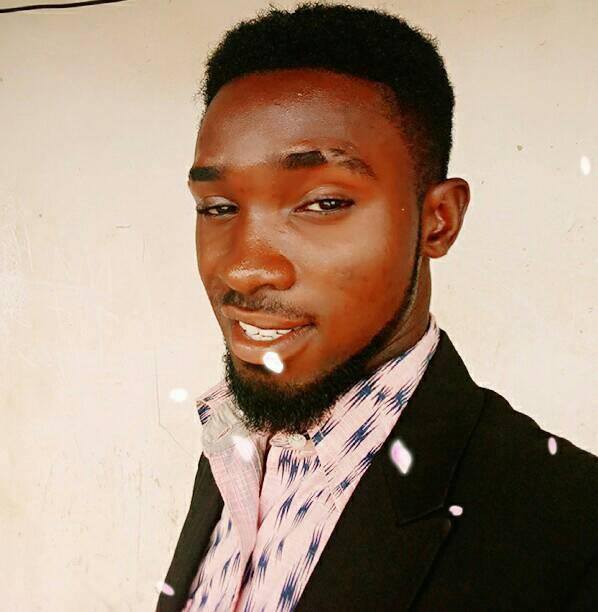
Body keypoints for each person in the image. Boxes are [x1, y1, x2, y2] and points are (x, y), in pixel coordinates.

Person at [157, 4, 598, 610]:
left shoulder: (572, 530)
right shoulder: (235, 448)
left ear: (437, 221)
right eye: (218, 208)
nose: (243, 268)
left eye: (323, 203)